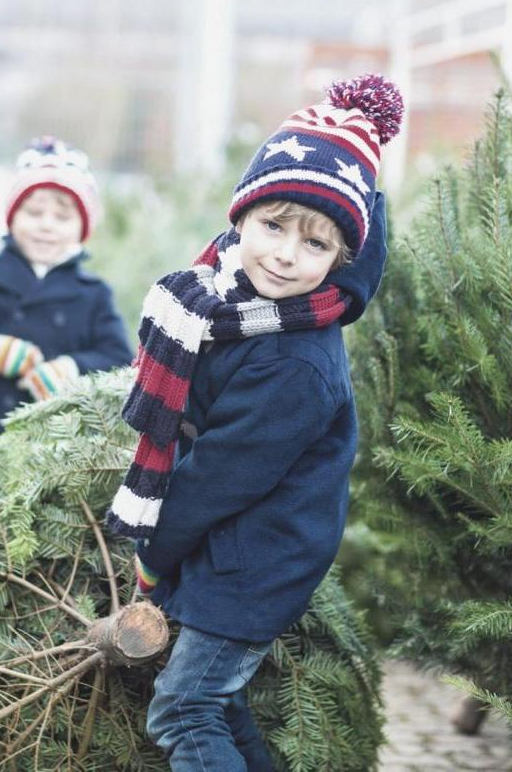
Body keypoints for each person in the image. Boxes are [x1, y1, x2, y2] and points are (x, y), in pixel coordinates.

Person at [106, 74, 403, 771]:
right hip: (238, 545)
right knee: (222, 703)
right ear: (240, 218)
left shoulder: (296, 366)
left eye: (315, 244)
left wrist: (155, 552)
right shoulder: (222, 299)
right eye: (273, 226)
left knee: (185, 709)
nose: (284, 254)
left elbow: (217, 477)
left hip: (255, 559)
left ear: (339, 262)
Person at [0, 137, 133, 455]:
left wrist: (70, 369)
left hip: (64, 454)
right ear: (12, 217)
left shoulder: (93, 293)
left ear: (82, 227)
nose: (46, 226)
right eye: (33, 212)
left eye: (62, 217)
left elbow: (119, 360)